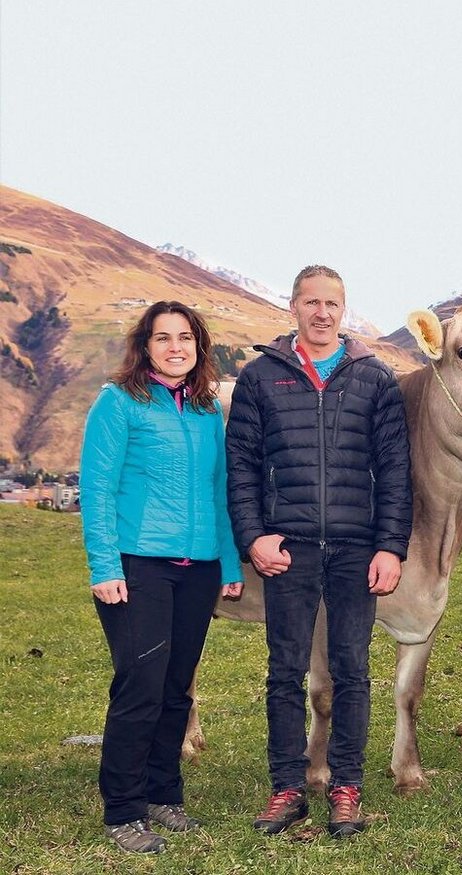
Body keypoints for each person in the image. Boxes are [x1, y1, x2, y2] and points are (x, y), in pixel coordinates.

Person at [225, 265, 412, 838]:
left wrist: (390, 546)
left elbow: (395, 471)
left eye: (332, 303)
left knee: (352, 670)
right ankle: (287, 787)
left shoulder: (375, 378)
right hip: (290, 546)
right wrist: (253, 536)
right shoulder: (261, 377)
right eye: (311, 302)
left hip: (357, 547)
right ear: (294, 308)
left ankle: (346, 786)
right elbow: (242, 466)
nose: (322, 313)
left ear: (343, 310)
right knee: (284, 671)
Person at [79, 301, 244, 854]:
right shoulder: (118, 402)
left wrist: (227, 564)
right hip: (137, 565)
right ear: (145, 346)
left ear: (199, 346)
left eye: (185, 338)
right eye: (163, 337)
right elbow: (96, 489)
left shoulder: (205, 411)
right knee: (141, 687)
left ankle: (162, 795)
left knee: (176, 689)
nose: (176, 347)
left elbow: (218, 492)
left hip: (198, 570)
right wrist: (105, 567)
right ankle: (123, 810)